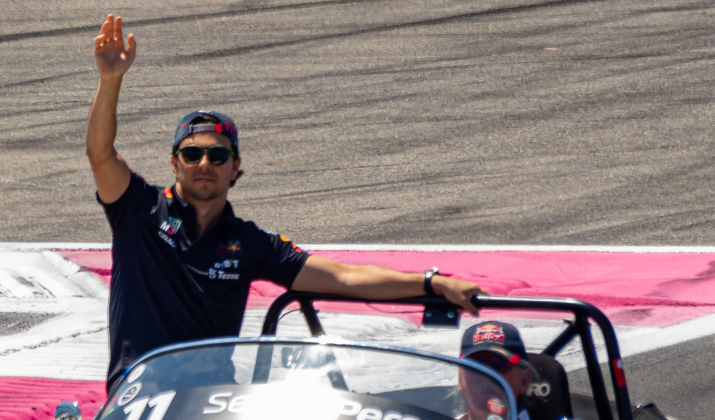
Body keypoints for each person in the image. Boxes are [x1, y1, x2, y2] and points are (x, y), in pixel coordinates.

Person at [86, 14, 484, 388]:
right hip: (135, 398)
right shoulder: (138, 210)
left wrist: (431, 283)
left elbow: (344, 278)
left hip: (208, 403)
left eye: (218, 155)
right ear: (175, 163)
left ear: (235, 166)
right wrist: (110, 80)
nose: (204, 163)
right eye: (192, 155)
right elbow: (101, 154)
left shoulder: (250, 243)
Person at [458, 321, 550, 420]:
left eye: (499, 364)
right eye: (475, 365)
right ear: (461, 379)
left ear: (524, 380)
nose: (486, 375)